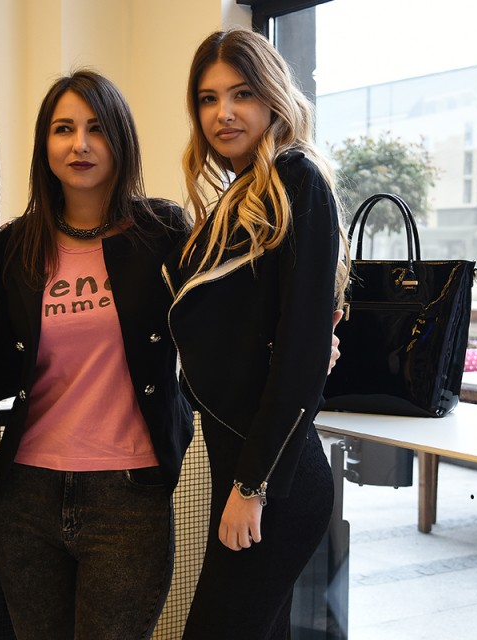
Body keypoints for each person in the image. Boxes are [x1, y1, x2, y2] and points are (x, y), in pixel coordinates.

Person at [0, 70, 193, 640]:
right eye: (63, 129)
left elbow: (222, 318)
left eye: (96, 128)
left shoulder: (162, 232)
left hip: (128, 493)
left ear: (120, 138)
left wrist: (313, 334)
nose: (79, 144)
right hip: (26, 492)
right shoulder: (14, 245)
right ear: (44, 144)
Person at [163, 28, 352, 639]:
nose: (223, 112)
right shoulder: (239, 199)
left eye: (241, 93)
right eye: (208, 98)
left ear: (273, 97)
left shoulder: (297, 179)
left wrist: (253, 486)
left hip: (274, 481)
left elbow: (299, 355)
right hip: (246, 470)